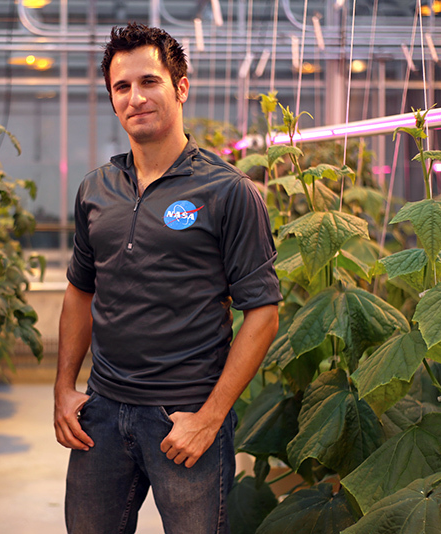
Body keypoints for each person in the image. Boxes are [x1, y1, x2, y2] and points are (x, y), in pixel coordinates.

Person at [53, 22, 282, 534]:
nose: (136, 97)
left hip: (186, 416)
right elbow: (80, 291)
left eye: (149, 81)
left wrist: (211, 416)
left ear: (180, 87)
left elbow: (262, 312)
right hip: (102, 414)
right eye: (122, 87)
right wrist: (64, 388)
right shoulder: (97, 189)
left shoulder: (228, 192)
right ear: (112, 99)